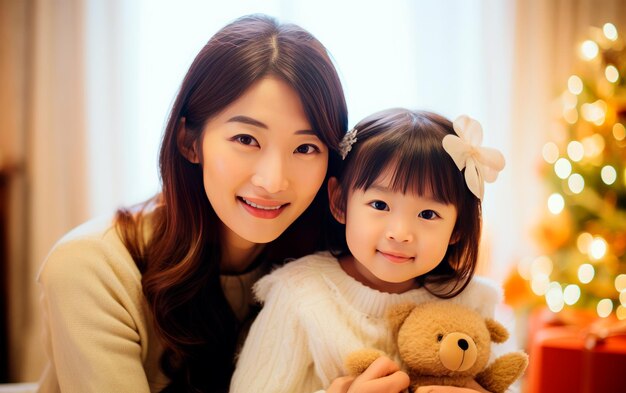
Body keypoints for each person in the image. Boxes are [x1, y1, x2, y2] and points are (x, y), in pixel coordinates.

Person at [36, 14, 348, 393]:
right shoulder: (92, 269)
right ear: (189, 141)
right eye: (246, 139)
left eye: (305, 147)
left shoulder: (335, 262)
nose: (273, 180)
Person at [230, 108, 508, 393]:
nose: (400, 234)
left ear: (458, 227)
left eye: (427, 214)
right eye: (379, 205)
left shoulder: (470, 299)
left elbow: (500, 380)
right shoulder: (301, 294)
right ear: (340, 202)